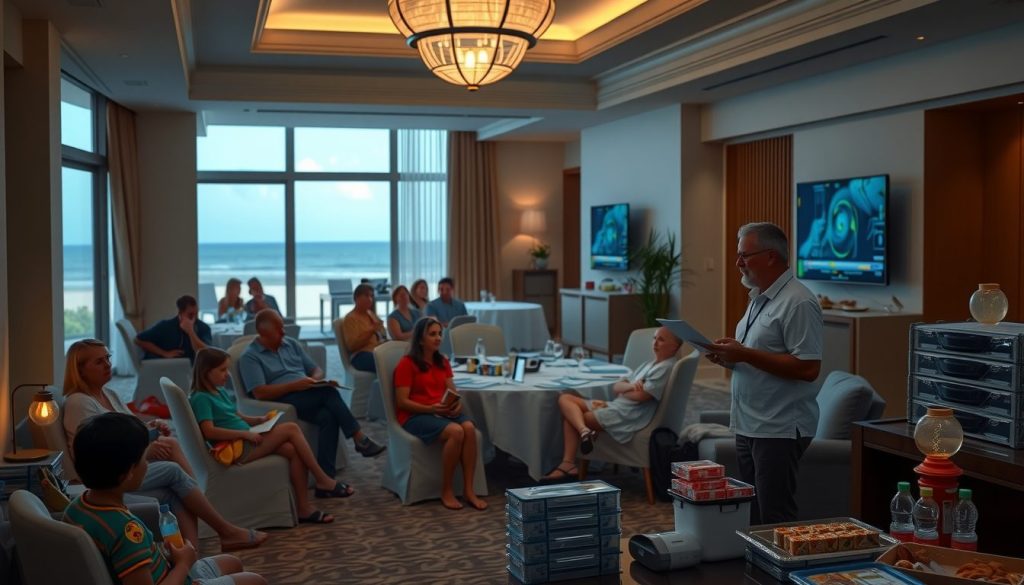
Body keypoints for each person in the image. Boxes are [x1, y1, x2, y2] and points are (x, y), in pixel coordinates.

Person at [63, 339, 267, 552]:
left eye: (108, 358)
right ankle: (222, 527)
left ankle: (191, 554)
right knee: (173, 471)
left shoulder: (109, 394)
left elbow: (128, 430)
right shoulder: (79, 402)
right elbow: (96, 453)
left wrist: (150, 428)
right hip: (108, 476)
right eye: (99, 362)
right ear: (80, 370)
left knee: (173, 477)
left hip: (126, 465)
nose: (107, 364)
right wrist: (146, 451)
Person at [704, 222, 822, 524]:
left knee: (774, 515)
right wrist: (730, 358)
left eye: (744, 255)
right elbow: (759, 358)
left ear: (771, 256)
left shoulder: (798, 301)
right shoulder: (758, 297)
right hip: (749, 423)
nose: (738, 263)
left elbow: (808, 368)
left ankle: (778, 558)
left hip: (778, 427)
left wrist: (744, 354)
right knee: (752, 514)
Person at [64, 412, 266, 585]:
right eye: (144, 459)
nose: (147, 464)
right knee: (255, 581)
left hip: (168, 570)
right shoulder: (128, 531)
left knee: (232, 562)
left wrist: (172, 558)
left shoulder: (75, 508)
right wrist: (184, 564)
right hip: (176, 577)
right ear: (128, 474)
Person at [190, 348, 351, 524]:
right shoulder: (201, 398)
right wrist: (245, 434)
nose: (227, 374)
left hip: (243, 441)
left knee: (292, 450)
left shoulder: (218, 390)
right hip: (235, 449)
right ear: (206, 372)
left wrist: (258, 420)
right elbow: (209, 431)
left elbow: (235, 416)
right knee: (291, 428)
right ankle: (322, 478)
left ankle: (303, 508)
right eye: (222, 370)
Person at [238, 309, 385, 481]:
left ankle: (326, 479)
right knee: (329, 392)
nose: (283, 332)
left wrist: (313, 381)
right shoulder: (250, 357)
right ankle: (359, 438)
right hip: (283, 400)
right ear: (264, 333)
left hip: (306, 391)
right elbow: (260, 393)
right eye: (278, 330)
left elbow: (316, 370)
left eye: (282, 327)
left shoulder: (290, 344)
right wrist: (294, 386)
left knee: (328, 416)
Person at [542, 327, 682, 481]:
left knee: (573, 416)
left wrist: (626, 389)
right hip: (616, 406)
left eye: (661, 340)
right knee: (565, 399)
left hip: (625, 415)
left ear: (674, 346)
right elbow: (617, 387)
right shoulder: (650, 364)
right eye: (654, 338)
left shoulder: (665, 367)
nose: (655, 343)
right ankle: (584, 431)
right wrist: (631, 387)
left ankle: (568, 463)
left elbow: (642, 396)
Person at [393, 317, 488, 511]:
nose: (438, 338)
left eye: (439, 334)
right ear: (421, 340)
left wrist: (456, 405)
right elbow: (402, 402)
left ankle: (469, 490)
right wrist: (431, 409)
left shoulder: (442, 361)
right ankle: (447, 490)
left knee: (469, 428)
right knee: (456, 432)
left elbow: (452, 391)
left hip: (441, 410)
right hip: (415, 415)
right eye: (432, 334)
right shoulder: (407, 363)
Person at [135, 295, 212, 363]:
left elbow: (206, 354)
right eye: (190, 315)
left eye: (196, 314)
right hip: (168, 367)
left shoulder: (203, 327)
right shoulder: (166, 326)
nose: (194, 319)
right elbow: (139, 340)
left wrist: (191, 332)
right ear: (180, 313)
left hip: (194, 368)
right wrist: (164, 353)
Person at [342, 283, 386, 373]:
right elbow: (352, 346)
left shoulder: (370, 314)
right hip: (360, 355)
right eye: (366, 296)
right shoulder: (350, 318)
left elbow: (381, 334)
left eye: (371, 296)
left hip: (376, 350)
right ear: (356, 298)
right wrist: (372, 330)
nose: (370, 299)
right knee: (386, 363)